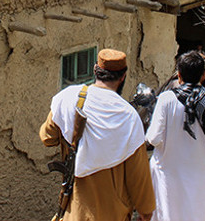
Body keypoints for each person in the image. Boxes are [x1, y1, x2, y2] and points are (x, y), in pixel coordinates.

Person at [40, 49, 155, 221]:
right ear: (123, 77)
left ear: (95, 70)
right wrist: (146, 211)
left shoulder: (68, 98)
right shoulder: (128, 117)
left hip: (75, 209)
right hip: (113, 212)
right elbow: (137, 174)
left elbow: (47, 138)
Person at [146, 51, 205, 221]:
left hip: (167, 173)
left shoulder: (166, 99)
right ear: (204, 74)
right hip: (197, 173)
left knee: (165, 213)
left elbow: (153, 138)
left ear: (179, 74)